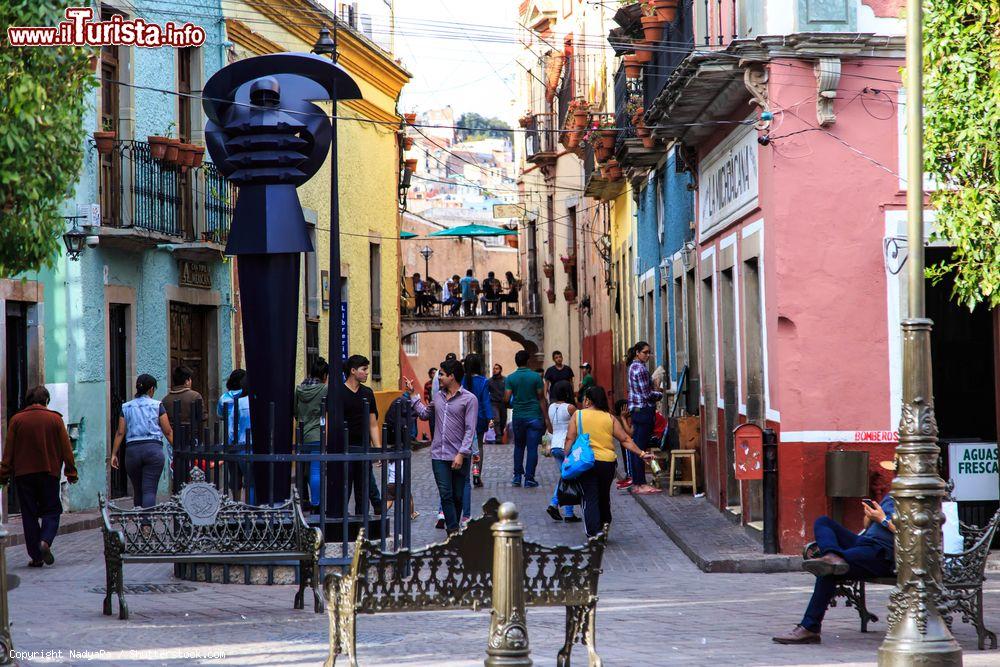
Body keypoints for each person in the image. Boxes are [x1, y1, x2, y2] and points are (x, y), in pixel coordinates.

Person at [772, 492, 897, 644]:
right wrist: (870, 516)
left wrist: (883, 520)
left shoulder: (924, 499)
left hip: (883, 552)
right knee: (823, 521)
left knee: (829, 569)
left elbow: (914, 535)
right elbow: (867, 526)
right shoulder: (892, 494)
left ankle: (809, 627)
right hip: (865, 541)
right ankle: (831, 555)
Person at [0, 386, 78, 567]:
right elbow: (67, 449)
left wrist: (3, 474)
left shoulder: (17, 420)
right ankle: (45, 541)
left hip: (23, 475)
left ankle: (36, 556)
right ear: (46, 401)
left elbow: (8, 450)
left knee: (29, 514)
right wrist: (71, 472)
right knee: (52, 510)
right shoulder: (55, 419)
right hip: (49, 473)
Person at [565, 386, 652, 537]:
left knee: (589, 496)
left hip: (586, 462)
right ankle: (605, 522)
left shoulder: (578, 415)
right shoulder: (609, 418)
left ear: (588, 400)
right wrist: (641, 453)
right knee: (603, 494)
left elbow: (570, 439)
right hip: (607, 463)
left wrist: (567, 457)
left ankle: (594, 532)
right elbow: (625, 439)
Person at [404, 359, 477, 534]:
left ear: (452, 376)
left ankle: (455, 527)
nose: (439, 378)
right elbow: (423, 414)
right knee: (446, 494)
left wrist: (462, 453)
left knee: (458, 496)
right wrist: (413, 394)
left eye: (442, 374)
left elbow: (470, 429)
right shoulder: (438, 396)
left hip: (459, 455)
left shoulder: (469, 399)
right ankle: (452, 531)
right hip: (439, 454)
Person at [111, 374, 173, 509]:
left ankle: (139, 522)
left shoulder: (126, 407)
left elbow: (120, 432)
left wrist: (114, 454)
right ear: (151, 389)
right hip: (153, 450)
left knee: (138, 490)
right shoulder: (157, 406)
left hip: (132, 452)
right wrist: (178, 448)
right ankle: (146, 525)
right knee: (149, 490)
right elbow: (167, 431)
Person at [340, 354, 383, 515]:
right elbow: (331, 422)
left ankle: (361, 525)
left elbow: (373, 424)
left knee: (363, 491)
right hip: (343, 448)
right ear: (352, 371)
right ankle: (341, 524)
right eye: (364, 369)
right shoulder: (339, 393)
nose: (367, 373)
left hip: (363, 447)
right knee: (344, 489)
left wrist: (377, 450)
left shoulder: (367, 392)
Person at [505, 349, 550, 488]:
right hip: (534, 416)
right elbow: (541, 398)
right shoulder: (536, 377)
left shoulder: (510, 378)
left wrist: (513, 403)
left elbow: (506, 399)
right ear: (528, 361)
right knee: (532, 449)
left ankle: (517, 476)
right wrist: (546, 418)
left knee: (518, 447)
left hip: (518, 416)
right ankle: (529, 478)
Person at [626, 342, 662, 495]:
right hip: (643, 411)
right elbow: (647, 395)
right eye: (645, 352)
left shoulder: (633, 367)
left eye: (649, 352)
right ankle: (640, 483)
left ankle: (637, 482)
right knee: (640, 449)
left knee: (638, 448)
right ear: (637, 352)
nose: (647, 355)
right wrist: (659, 392)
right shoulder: (640, 369)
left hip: (637, 411)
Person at [294, 357, 328, 509]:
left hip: (301, 433)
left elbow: (295, 411)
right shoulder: (324, 389)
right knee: (315, 469)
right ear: (324, 375)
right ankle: (316, 503)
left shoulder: (299, 389)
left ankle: (303, 500)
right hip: (316, 433)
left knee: (302, 470)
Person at [545, 380, 580, 523]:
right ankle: (554, 504)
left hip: (555, 446)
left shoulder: (551, 407)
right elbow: (581, 422)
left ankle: (569, 513)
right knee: (566, 478)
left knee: (567, 477)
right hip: (567, 446)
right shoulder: (570, 408)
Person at [218, 369, 253, 502]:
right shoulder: (246, 396)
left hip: (230, 439)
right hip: (246, 438)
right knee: (249, 476)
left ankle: (237, 501)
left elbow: (221, 415)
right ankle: (249, 504)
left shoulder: (224, 398)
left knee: (234, 474)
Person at [462, 354, 493, 494]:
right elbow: (486, 401)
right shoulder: (483, 381)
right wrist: (490, 418)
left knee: (462, 445)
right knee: (478, 445)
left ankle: (462, 474)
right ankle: (476, 474)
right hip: (478, 417)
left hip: (462, 416)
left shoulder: (461, 380)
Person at [163, 366, 206, 441]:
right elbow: (202, 417)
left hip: (173, 439)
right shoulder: (195, 396)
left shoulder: (166, 400)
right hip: (191, 437)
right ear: (187, 381)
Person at [613, 399, 634, 490]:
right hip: (650, 436)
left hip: (655, 437)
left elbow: (630, 434)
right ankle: (628, 474)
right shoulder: (633, 415)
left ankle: (631, 476)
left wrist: (623, 418)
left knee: (627, 444)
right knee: (624, 442)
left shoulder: (636, 414)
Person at [487, 363, 507, 440]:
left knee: (503, 420)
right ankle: (498, 436)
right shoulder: (489, 381)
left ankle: (501, 433)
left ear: (500, 370)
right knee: (497, 419)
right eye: (494, 369)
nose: (494, 370)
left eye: (497, 368)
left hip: (503, 403)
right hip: (493, 403)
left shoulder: (505, 380)